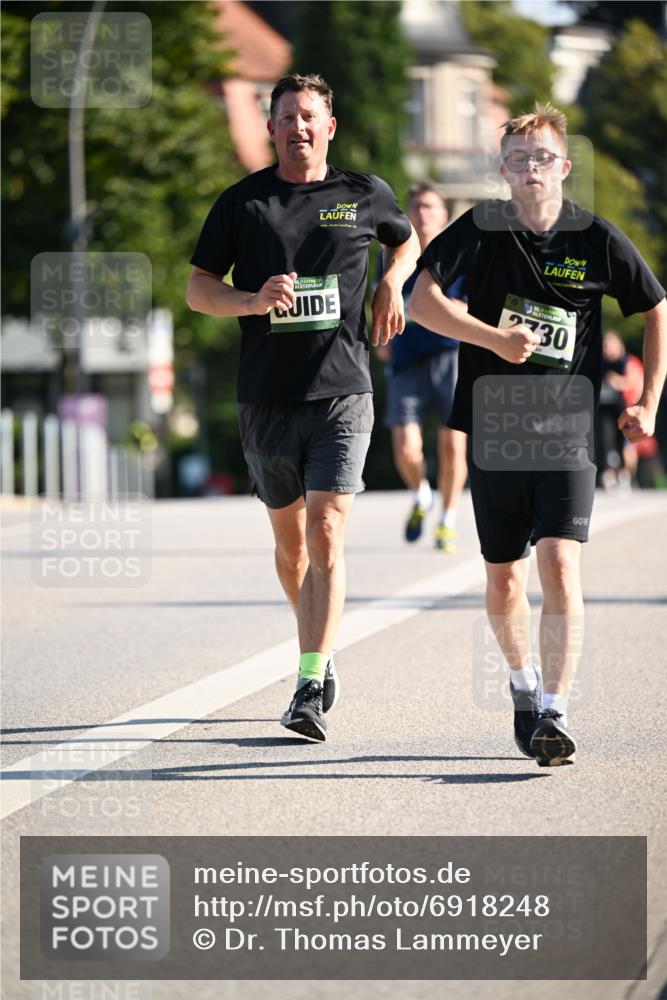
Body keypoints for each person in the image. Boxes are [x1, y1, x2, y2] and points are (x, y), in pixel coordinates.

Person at [410, 102, 666, 767]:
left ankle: (554, 708)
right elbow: (421, 300)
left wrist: (648, 400)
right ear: (503, 170)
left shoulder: (595, 238)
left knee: (559, 562)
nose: (531, 169)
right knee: (503, 581)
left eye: (543, 158)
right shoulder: (481, 228)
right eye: (518, 160)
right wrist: (492, 338)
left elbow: (655, 306)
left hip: (566, 431)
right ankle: (522, 685)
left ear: (564, 167)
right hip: (494, 429)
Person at [186, 73, 419, 743]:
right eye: (286, 117)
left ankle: (309, 682)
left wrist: (392, 283)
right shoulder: (243, 203)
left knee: (326, 531)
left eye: (309, 116)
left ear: (329, 127)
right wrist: (251, 300)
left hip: (342, 389)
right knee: (291, 550)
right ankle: (321, 639)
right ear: (270, 128)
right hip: (265, 396)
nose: (298, 127)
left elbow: (405, 241)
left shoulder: (363, 193)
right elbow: (198, 289)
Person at [379, 183, 468, 551]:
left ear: (443, 215)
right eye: (416, 207)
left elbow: (475, 307)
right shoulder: (394, 254)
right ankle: (422, 494)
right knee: (405, 448)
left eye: (430, 206)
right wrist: (381, 337)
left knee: (452, 448)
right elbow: (382, 301)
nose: (423, 213)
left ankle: (447, 520)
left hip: (451, 356)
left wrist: (441, 310)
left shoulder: (459, 252)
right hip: (406, 359)